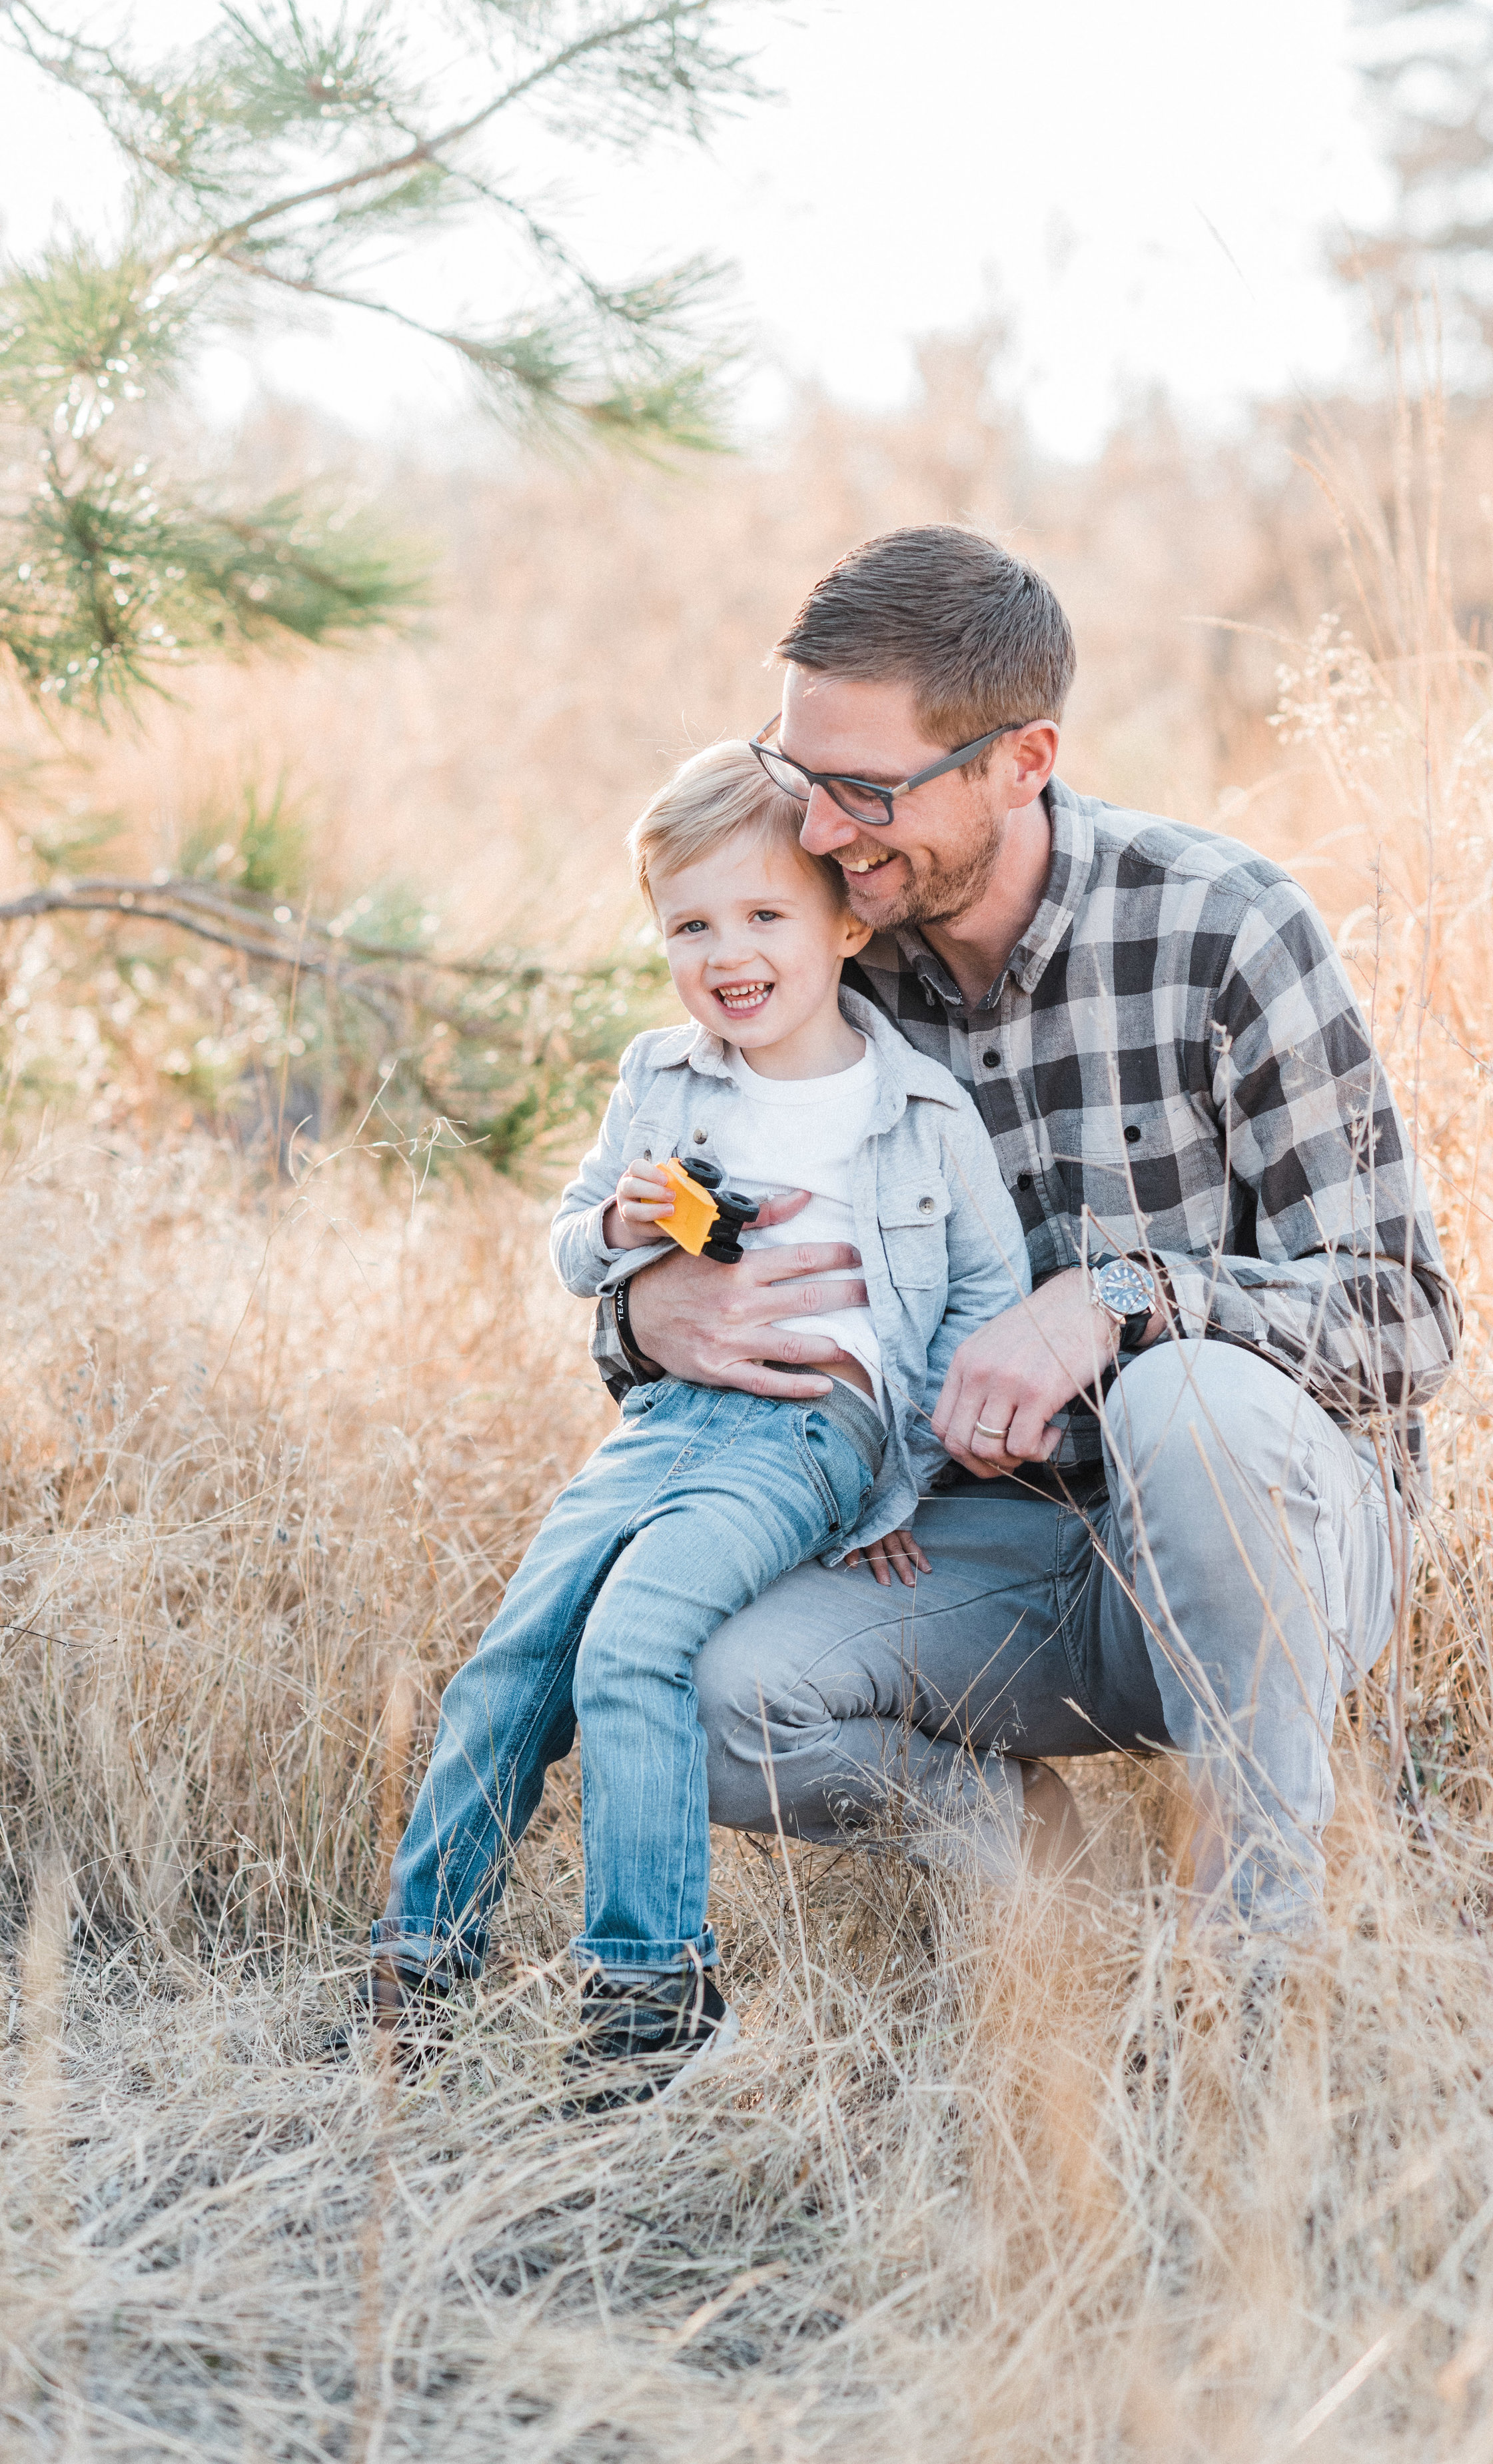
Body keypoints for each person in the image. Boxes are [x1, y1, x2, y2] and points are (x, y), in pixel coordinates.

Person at [597, 526, 1462, 1938]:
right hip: (987, 1557)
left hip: (1267, 1533)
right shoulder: (818, 954)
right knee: (688, 1694)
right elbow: (675, 1216)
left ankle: (1261, 1952)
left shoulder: (1220, 928)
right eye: (798, 777)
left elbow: (1404, 1317)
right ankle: (1059, 1902)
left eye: (866, 791)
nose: (819, 834)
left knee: (1185, 1401)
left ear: (1022, 759)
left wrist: (1111, 1301)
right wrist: (639, 1319)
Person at [368, 742, 1028, 2104]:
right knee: (512, 1663)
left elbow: (981, 1296)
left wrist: (898, 1491)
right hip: (665, 1419)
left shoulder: (916, 1109)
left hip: (807, 1433)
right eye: (690, 924)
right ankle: (414, 1970)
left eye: (764, 915)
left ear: (847, 920)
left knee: (636, 1646)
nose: (727, 953)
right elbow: (571, 1238)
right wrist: (614, 1228)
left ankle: (649, 1995)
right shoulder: (663, 1078)